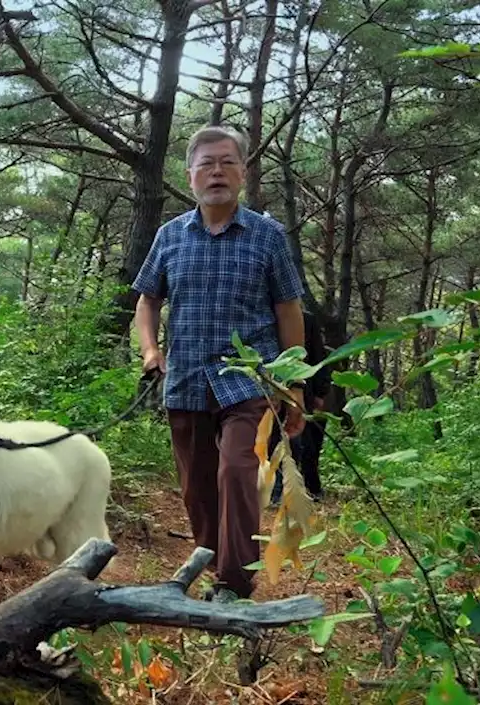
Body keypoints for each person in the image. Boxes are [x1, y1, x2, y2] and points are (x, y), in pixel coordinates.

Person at [131, 125, 307, 604]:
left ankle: (233, 583)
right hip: (185, 377)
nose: (217, 172)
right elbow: (147, 302)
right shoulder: (170, 236)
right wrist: (150, 350)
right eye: (206, 163)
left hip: (250, 379)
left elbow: (288, 310)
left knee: (236, 470)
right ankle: (209, 561)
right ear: (190, 176)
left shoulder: (267, 236)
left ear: (243, 173)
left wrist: (293, 385)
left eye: (227, 162)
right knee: (196, 488)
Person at [271, 308, 331, 504]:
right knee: (271, 440)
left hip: (300, 392)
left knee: (299, 442)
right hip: (266, 391)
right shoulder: (257, 315)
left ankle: (300, 489)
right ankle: (275, 490)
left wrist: (320, 392)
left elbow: (316, 355)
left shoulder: (306, 319)